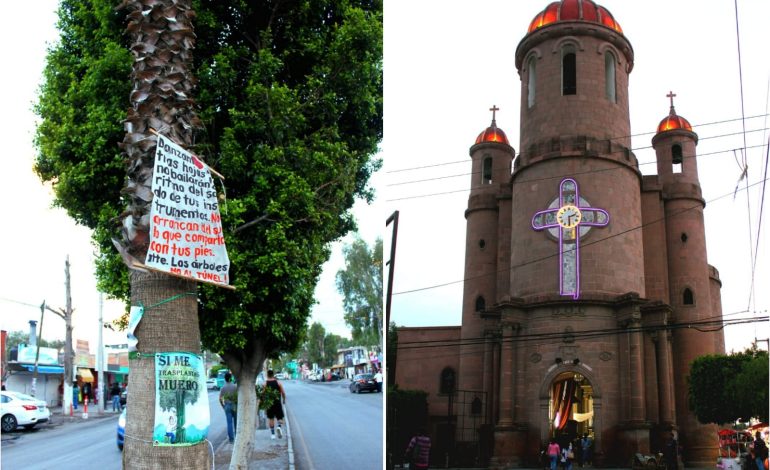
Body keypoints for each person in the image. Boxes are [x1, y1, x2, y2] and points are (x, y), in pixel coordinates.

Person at [265, 369, 286, 440]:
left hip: (269, 403)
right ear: (273, 375)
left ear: (267, 375)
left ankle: (273, 434)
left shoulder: (265, 384)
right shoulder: (278, 383)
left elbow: (262, 394)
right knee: (280, 418)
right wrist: (284, 400)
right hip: (277, 403)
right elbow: (283, 392)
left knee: (271, 419)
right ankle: (279, 427)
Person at [218, 372, 237, 443]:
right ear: (231, 378)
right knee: (236, 422)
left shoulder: (223, 388)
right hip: (235, 405)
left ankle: (231, 439)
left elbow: (220, 399)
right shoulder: (235, 386)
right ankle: (237, 437)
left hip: (227, 406)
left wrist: (223, 406)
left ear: (225, 379)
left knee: (229, 423)